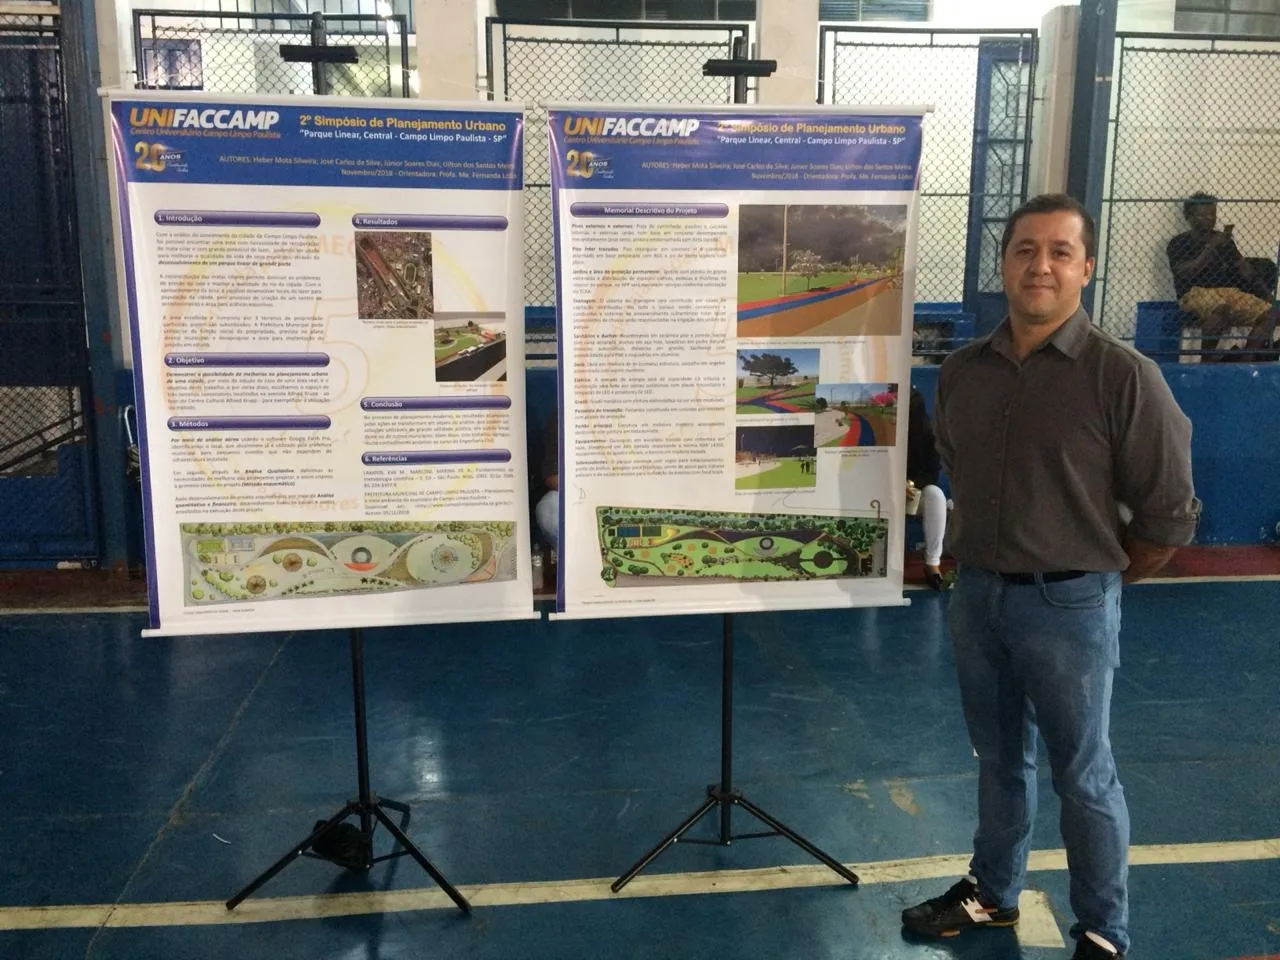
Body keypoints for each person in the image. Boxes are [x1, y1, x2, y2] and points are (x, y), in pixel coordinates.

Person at [900, 194, 1201, 960]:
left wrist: (1094, 580)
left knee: (1084, 776)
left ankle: (1103, 932)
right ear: (1004, 263)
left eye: (1060, 251)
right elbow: (959, 466)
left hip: (1071, 605)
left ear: (1086, 267)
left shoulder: (1124, 377)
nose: (1041, 265)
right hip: (978, 597)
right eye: (1025, 250)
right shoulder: (963, 372)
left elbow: (1169, 512)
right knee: (999, 760)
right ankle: (992, 892)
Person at [1166, 192, 1278, 360]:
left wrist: (1268, 296)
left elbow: (1245, 270)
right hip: (1195, 293)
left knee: (1272, 313)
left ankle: (1246, 360)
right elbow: (1185, 273)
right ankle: (1206, 363)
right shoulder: (1179, 242)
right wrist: (1211, 247)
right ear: (1189, 216)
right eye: (1202, 215)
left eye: (1212, 214)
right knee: (1222, 308)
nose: (1209, 219)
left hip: (1229, 292)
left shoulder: (1223, 240)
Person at [905, 386, 948, 590]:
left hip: (913, 491)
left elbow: (932, 474)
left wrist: (911, 484)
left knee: (936, 495)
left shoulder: (929, 434)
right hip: (880, 490)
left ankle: (933, 564)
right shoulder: (882, 430)